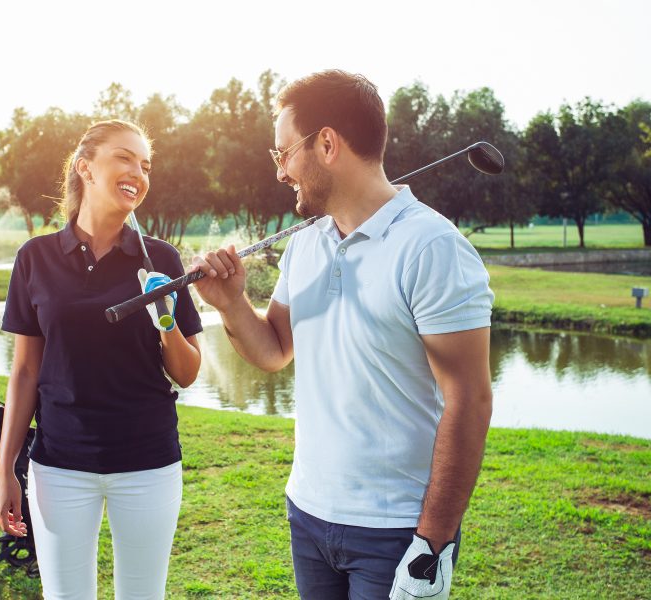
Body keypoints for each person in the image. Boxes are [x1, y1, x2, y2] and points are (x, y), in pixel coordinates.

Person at [191, 70, 494, 599]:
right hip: (308, 513)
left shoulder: (432, 248)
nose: (281, 171)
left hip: (397, 531)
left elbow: (469, 400)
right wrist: (232, 303)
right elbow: (274, 351)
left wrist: (434, 541)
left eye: (283, 153)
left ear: (327, 143)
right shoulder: (307, 243)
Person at [0, 120, 203, 600]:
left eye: (146, 165)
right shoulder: (35, 258)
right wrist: (6, 468)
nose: (138, 173)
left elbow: (188, 373)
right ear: (85, 168)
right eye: (124, 158)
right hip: (59, 467)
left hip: (148, 464)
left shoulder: (162, 261)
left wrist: (164, 319)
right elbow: (25, 371)